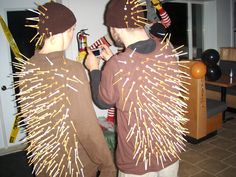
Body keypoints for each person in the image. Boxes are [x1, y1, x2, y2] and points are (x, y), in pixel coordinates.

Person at [85, 0, 189, 176]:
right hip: (170, 150)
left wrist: (94, 69)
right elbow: (140, 76)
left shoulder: (118, 65)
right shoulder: (168, 50)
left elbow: (103, 101)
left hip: (137, 159)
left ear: (114, 29)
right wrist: (112, 61)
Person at [16, 2, 116, 177]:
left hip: (44, 162)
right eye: (71, 30)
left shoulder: (27, 68)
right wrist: (107, 164)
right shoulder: (72, 70)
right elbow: (87, 127)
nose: (72, 36)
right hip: (75, 166)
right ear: (60, 33)